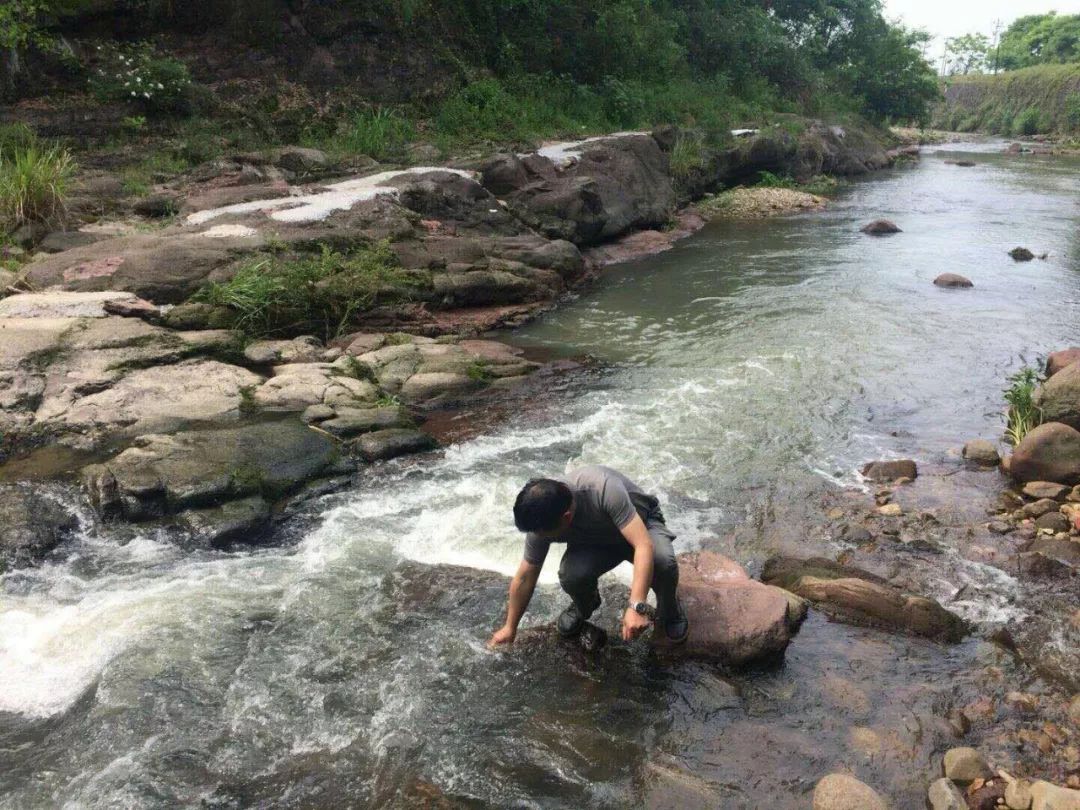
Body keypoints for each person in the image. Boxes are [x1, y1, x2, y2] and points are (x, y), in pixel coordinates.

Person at [488, 465, 688, 647]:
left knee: (662, 561)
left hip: (642, 525)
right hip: (596, 541)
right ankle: (585, 605)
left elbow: (643, 545)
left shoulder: (602, 489)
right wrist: (510, 627)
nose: (537, 537)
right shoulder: (542, 517)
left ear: (566, 518)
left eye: (542, 534)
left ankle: (670, 609)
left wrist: (637, 605)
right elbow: (525, 575)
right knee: (571, 574)